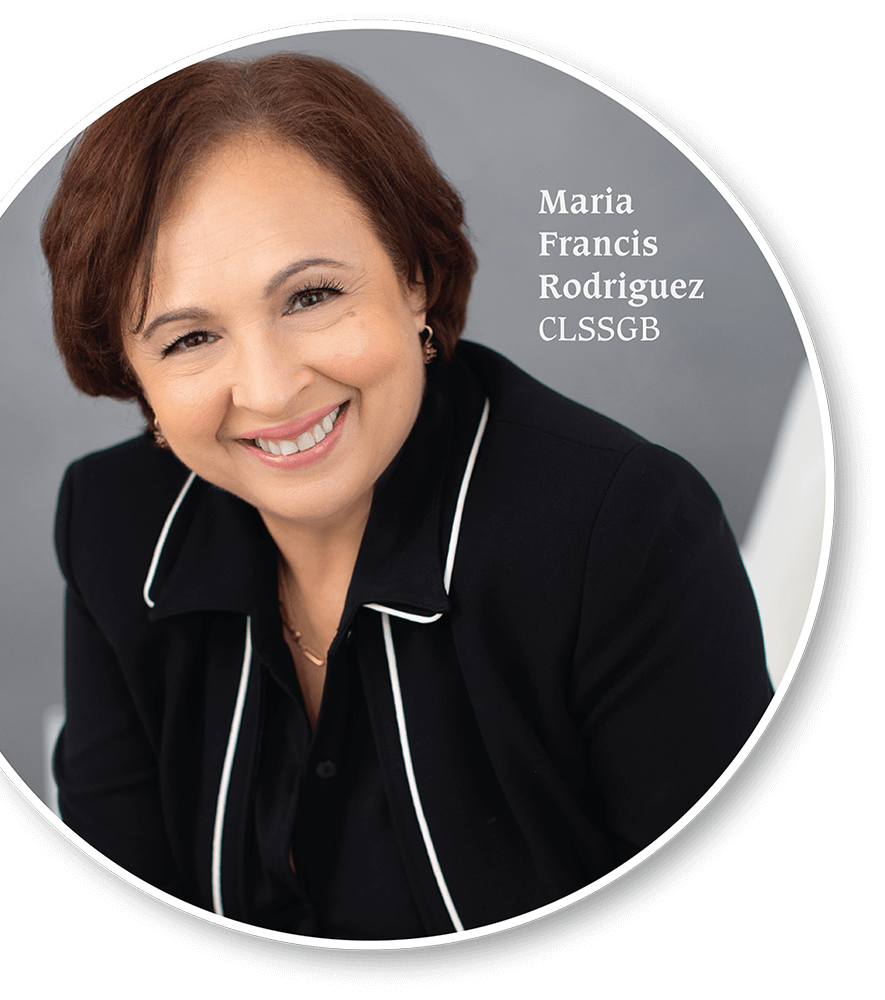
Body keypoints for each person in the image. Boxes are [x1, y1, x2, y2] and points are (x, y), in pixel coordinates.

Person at [43, 53, 772, 940]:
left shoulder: (625, 531)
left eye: (311, 295)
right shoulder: (113, 523)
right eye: (191, 337)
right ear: (137, 378)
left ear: (415, 277)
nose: (270, 390)